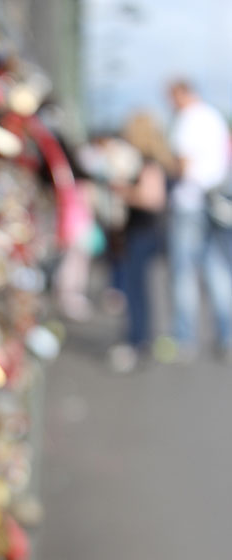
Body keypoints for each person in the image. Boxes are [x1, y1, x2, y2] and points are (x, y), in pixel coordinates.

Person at [167, 80, 232, 359]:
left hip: (190, 201)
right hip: (215, 201)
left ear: (181, 94)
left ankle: (185, 338)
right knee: (217, 269)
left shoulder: (187, 120)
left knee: (184, 272)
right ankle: (226, 336)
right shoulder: (215, 117)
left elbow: (182, 165)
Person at [108, 113, 175, 372]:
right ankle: (139, 338)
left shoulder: (149, 163)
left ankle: (137, 340)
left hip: (143, 231)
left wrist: (123, 191)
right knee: (140, 289)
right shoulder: (156, 161)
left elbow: (152, 199)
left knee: (136, 290)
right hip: (147, 232)